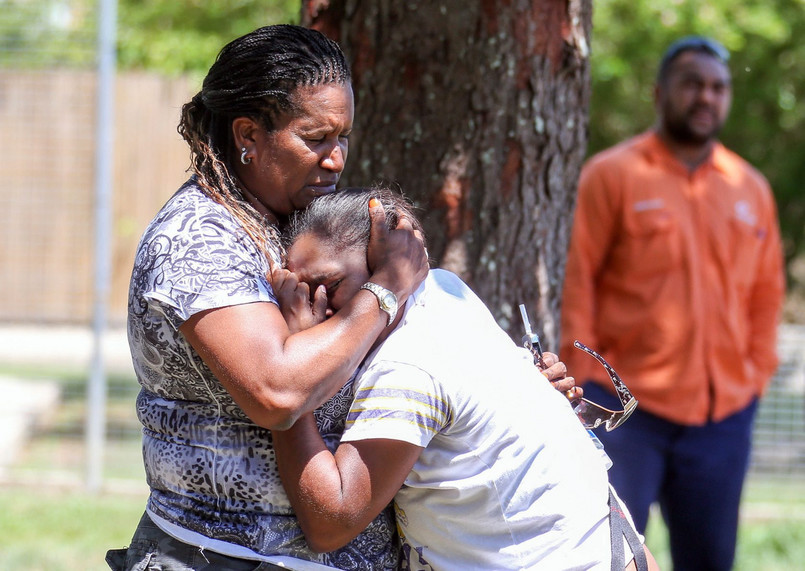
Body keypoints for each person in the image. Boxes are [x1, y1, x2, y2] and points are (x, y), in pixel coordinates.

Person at [106, 25, 430, 571]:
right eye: (315, 138)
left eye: (342, 138)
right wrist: (387, 288)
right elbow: (276, 391)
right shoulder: (197, 238)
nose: (336, 160)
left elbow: (362, 355)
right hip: (223, 556)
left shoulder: (298, 224)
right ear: (248, 135)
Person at [270, 187, 659, 570]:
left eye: (331, 287)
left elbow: (330, 523)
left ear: (391, 264)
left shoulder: (407, 364)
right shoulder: (443, 288)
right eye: (303, 291)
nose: (312, 306)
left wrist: (293, 385)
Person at [560, 36, 785, 570]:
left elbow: (766, 296)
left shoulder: (750, 188)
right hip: (626, 414)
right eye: (693, 85)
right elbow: (579, 284)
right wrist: (579, 387)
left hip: (723, 417)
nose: (706, 97)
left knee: (710, 559)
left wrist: (754, 378)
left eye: (718, 87)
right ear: (661, 93)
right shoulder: (612, 175)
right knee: (609, 557)